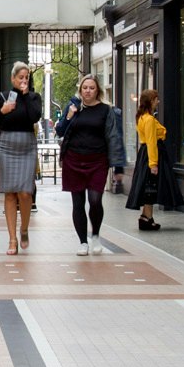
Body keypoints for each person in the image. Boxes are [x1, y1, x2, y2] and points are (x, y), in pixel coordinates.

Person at [57, 75, 126, 255]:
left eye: (91, 88)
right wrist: (69, 116)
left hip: (97, 160)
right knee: (78, 202)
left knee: (95, 200)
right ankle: (83, 242)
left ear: (97, 91)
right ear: (80, 90)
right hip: (73, 159)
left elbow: (114, 136)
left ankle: (95, 235)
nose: (88, 91)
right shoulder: (73, 107)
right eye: (85, 88)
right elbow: (60, 130)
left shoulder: (106, 110)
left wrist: (118, 166)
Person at [0, 61, 40, 253]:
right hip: (6, 145)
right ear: (13, 78)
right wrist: (2, 111)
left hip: (27, 146)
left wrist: (26, 95)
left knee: (25, 192)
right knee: (10, 193)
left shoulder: (34, 97)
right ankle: (12, 239)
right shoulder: (3, 97)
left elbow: (34, 117)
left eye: (26, 77)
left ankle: (24, 229)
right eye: (20, 77)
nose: (24, 80)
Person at [126, 88, 180, 231]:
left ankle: (146, 217)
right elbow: (151, 142)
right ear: (151, 101)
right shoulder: (149, 119)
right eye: (156, 99)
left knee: (148, 185)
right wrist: (153, 164)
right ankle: (147, 218)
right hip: (152, 154)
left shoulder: (142, 117)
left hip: (145, 155)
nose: (158, 101)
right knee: (150, 186)